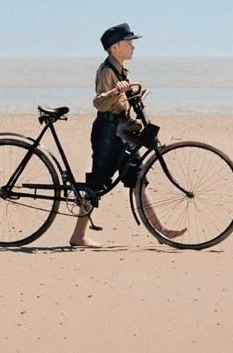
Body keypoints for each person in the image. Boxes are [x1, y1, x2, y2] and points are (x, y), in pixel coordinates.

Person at [69, 23, 186, 247]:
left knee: (137, 177)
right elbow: (99, 102)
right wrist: (116, 91)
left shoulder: (120, 69)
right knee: (97, 183)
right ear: (114, 47)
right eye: (128, 43)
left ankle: (160, 231)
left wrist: (133, 92)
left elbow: (120, 98)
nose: (133, 47)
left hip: (121, 131)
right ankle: (78, 236)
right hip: (108, 133)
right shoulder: (107, 71)